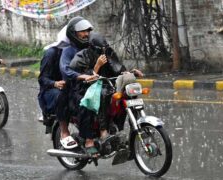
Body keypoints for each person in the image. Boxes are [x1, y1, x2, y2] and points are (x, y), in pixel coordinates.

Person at [69, 32, 144, 156]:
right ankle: (102, 132)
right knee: (103, 92)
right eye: (100, 50)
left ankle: (128, 130)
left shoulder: (108, 53)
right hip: (83, 91)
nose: (103, 52)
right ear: (92, 47)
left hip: (107, 86)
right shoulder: (82, 56)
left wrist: (130, 73)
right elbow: (78, 77)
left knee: (125, 94)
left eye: (105, 49)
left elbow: (118, 69)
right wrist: (97, 66)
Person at [58, 16, 96, 150]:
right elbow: (65, 69)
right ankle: (89, 140)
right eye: (82, 31)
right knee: (86, 104)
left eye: (88, 31)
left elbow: (109, 63)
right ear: (73, 34)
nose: (86, 34)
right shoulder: (68, 51)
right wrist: (81, 76)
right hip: (75, 89)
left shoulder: (93, 48)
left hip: (94, 86)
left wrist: (126, 72)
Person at [38, 26, 70, 134]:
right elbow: (42, 79)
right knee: (62, 97)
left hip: (69, 87)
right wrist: (55, 83)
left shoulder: (76, 51)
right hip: (50, 91)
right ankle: (64, 132)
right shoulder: (51, 53)